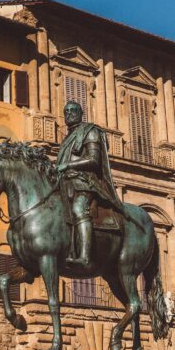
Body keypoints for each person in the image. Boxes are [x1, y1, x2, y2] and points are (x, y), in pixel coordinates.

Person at [55, 101, 123, 268]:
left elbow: (94, 159)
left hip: (85, 181)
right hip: (66, 181)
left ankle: (84, 256)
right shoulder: (68, 138)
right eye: (66, 111)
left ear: (81, 113)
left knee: (79, 209)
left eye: (73, 110)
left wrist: (69, 165)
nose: (69, 113)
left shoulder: (90, 131)